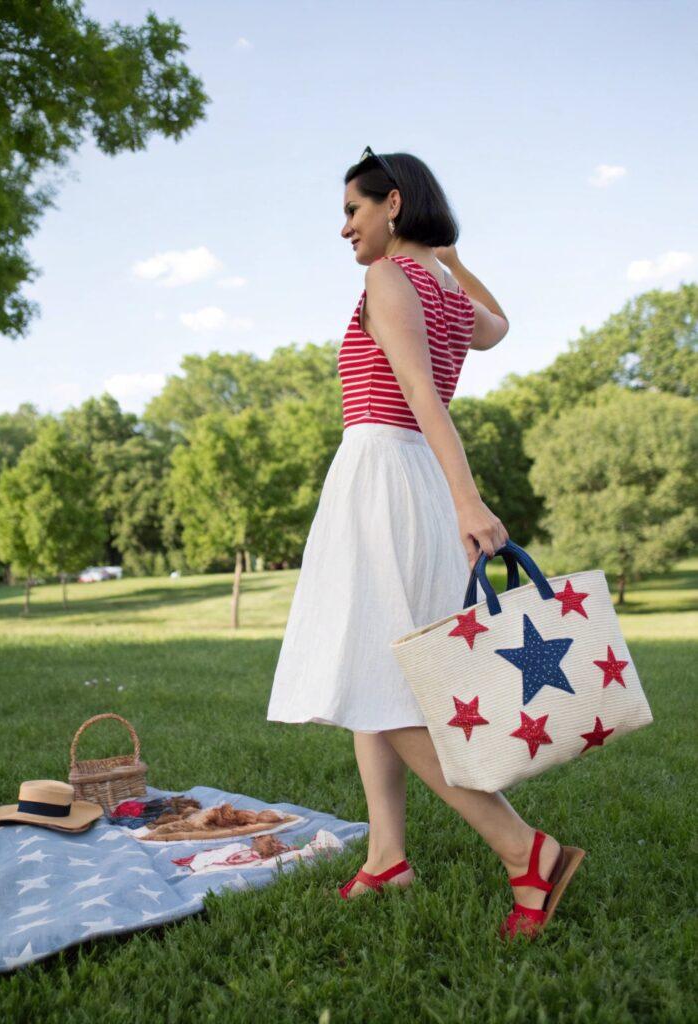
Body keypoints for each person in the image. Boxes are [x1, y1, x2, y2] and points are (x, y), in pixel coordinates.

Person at [266, 148, 583, 939]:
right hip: (409, 480)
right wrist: (454, 257)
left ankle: (525, 850)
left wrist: (468, 500)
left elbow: (413, 392)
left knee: (390, 680)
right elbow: (498, 329)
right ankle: (386, 856)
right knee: (372, 670)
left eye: (355, 210)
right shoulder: (441, 287)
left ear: (393, 204)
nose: (345, 228)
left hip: (385, 474)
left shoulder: (387, 279)